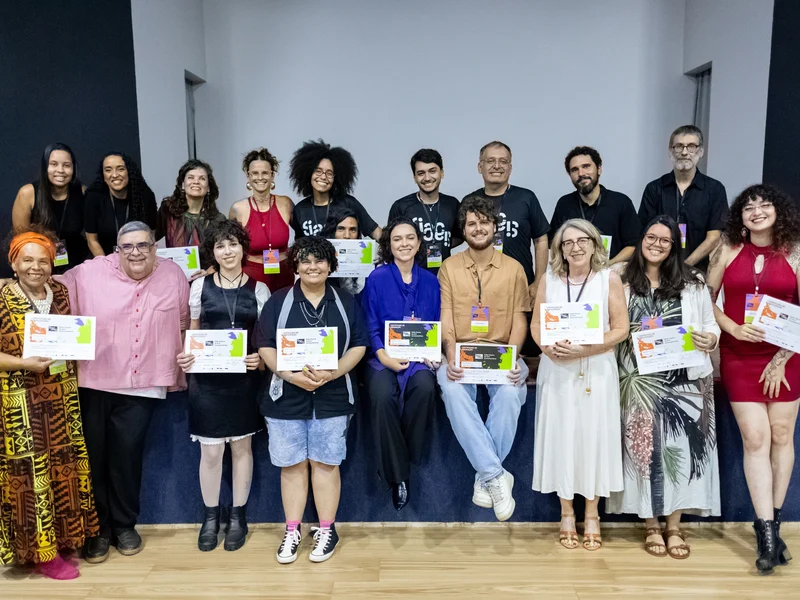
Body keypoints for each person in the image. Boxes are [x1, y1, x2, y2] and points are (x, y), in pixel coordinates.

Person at [58, 221, 189, 562]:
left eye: (143, 245)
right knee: (94, 456)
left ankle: (124, 525)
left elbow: (184, 322)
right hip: (95, 380)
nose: (135, 252)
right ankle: (98, 529)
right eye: (127, 246)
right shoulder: (89, 272)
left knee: (127, 457)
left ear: (155, 248)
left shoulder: (174, 274)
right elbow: (50, 287)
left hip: (144, 383)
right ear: (116, 250)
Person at [607, 215, 721, 559]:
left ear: (674, 246)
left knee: (681, 450)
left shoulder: (693, 281)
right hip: (635, 380)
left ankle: (674, 525)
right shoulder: (619, 278)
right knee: (644, 451)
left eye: (664, 240)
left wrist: (711, 338)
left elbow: (710, 324)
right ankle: (651, 523)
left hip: (684, 380)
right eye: (651, 237)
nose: (656, 244)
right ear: (641, 240)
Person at [707, 184, 800, 574]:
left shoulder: (795, 252)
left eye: (764, 205)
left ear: (778, 211)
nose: (757, 211)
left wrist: (781, 359)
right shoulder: (727, 249)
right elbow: (705, 298)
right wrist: (730, 327)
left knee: (781, 434)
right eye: (748, 207)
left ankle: (773, 523)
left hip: (787, 355)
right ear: (740, 217)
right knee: (756, 438)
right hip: (740, 355)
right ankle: (765, 534)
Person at [257, 236, 367, 564]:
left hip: (333, 395)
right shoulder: (278, 301)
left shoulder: (346, 301)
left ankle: (327, 529)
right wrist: (290, 375)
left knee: (325, 463)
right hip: (286, 397)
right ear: (296, 265)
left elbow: (359, 344)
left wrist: (333, 373)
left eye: (319, 260)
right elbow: (265, 345)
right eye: (305, 260)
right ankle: (292, 530)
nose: (312, 267)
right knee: (291, 464)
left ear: (330, 265)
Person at [0, 229, 98, 580]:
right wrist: (23, 363)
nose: (36, 267)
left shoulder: (60, 291)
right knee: (30, 475)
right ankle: (42, 553)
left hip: (61, 397)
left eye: (43, 260)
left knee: (64, 468)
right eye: (27, 260)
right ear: (13, 263)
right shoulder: (1, 297)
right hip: (20, 404)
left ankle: (63, 539)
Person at [531, 219, 628, 551]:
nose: (575, 247)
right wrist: (548, 349)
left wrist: (585, 349)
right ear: (560, 249)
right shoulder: (549, 280)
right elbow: (536, 324)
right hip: (557, 369)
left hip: (596, 370)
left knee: (593, 440)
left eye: (582, 240)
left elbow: (621, 329)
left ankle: (592, 513)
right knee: (562, 439)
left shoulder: (609, 278)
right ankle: (567, 513)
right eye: (568, 242)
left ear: (594, 243)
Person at [175, 219, 268, 552]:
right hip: (206, 380)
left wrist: (259, 359)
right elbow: (193, 330)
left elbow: (263, 339)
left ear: (243, 248)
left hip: (243, 381)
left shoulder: (259, 289)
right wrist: (186, 355)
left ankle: (238, 516)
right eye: (220, 246)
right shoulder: (199, 286)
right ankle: (211, 517)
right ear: (212, 252)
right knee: (211, 452)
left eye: (233, 244)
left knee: (242, 449)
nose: (227, 251)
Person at [437, 196, 530, 522]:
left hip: (502, 352)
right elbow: (446, 318)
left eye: (484, 222)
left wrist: (512, 359)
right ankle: (496, 475)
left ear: (494, 226)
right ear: (463, 230)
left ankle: (486, 475)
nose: (478, 228)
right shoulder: (449, 267)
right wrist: (450, 355)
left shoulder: (514, 269)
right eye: (471, 223)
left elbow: (520, 321)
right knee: (451, 390)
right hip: (461, 352)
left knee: (510, 393)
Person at [362, 217, 440, 510]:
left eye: (410, 238)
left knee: (425, 388)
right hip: (381, 357)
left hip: (419, 358)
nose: (404, 244)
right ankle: (400, 475)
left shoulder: (431, 281)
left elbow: (436, 323)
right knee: (382, 395)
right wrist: (383, 355)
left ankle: (398, 456)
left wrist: (432, 352)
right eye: (397, 239)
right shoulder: (377, 278)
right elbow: (370, 323)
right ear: (389, 245)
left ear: (419, 244)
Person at [462, 141, 549, 299]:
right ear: (480, 167)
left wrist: (538, 282)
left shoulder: (526, 198)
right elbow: (459, 236)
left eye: (503, 161)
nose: (497, 166)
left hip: (521, 286)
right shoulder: (470, 201)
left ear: (510, 167)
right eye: (490, 161)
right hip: (478, 287)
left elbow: (541, 240)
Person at [639, 125, 728, 270]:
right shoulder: (654, 188)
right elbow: (645, 233)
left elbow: (713, 237)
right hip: (657, 269)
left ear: (701, 151)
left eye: (691, 146)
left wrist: (684, 267)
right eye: (679, 146)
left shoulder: (715, 189)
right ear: (670, 151)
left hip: (697, 271)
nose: (684, 152)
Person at [550, 146, 640, 265]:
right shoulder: (564, 204)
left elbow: (633, 245)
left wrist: (608, 266)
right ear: (569, 175)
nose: (581, 173)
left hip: (611, 271)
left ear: (599, 169)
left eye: (586, 166)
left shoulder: (621, 202)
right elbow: (554, 245)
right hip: (574, 273)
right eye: (574, 170)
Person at [11, 143, 89, 273]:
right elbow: (20, 241)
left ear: (73, 168)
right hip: (38, 265)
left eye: (66, 165)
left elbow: (92, 235)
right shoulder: (27, 193)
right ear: (45, 167)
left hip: (77, 265)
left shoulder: (83, 192)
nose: (60, 170)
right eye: (53, 164)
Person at [229, 148, 294, 293]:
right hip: (252, 278)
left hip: (284, 276)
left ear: (272, 175)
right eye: (255, 173)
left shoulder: (286, 204)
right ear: (248, 176)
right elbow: (230, 246)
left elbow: (303, 235)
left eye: (265, 173)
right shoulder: (237, 209)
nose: (260, 177)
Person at [289, 139, 381, 240]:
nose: (323, 177)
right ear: (309, 173)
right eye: (318, 171)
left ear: (336, 177)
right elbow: (299, 245)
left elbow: (377, 234)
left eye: (329, 173)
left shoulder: (349, 203)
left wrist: (389, 245)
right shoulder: (300, 209)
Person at [388, 149, 461, 273]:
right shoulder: (401, 206)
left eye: (432, 171)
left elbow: (460, 236)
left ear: (442, 173)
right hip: (410, 276)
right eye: (421, 173)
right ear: (414, 177)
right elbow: (391, 241)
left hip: (445, 275)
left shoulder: (453, 204)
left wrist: (442, 244)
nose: (427, 178)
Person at [156, 159, 226, 273]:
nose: (196, 182)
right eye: (191, 177)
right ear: (183, 185)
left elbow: (224, 254)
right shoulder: (168, 210)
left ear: (208, 187)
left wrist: (208, 273)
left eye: (202, 178)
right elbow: (150, 237)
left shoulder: (218, 219)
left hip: (204, 279)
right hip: (174, 277)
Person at [84, 152, 158, 257]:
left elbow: (151, 237)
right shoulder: (94, 197)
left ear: (129, 172)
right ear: (103, 176)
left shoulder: (145, 197)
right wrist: (106, 264)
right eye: (108, 170)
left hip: (137, 257)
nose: (114, 175)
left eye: (121, 169)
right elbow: (92, 240)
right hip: (103, 258)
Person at [320, 206, 368, 297]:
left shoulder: (367, 257)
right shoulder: (317, 258)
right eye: (341, 229)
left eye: (352, 230)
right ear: (332, 231)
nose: (347, 235)